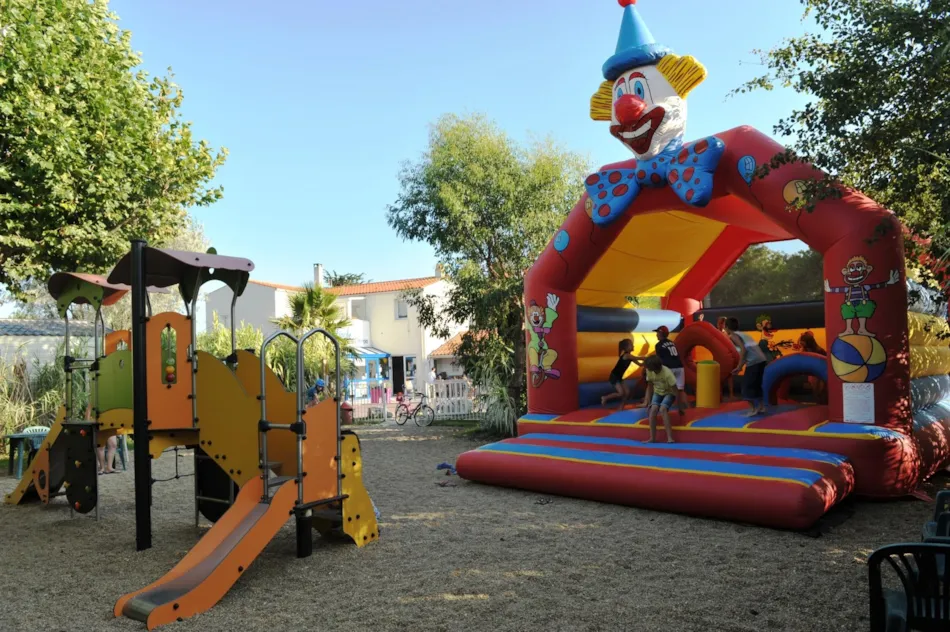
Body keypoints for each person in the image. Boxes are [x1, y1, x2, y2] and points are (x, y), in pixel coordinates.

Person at [724, 317, 770, 417]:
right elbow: (747, 351)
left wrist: (740, 366)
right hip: (761, 360)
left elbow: (744, 351)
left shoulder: (733, 336)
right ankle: (761, 407)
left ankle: (753, 409)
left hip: (754, 362)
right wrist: (741, 365)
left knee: (746, 386)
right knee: (756, 385)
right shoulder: (744, 334)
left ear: (727, 327)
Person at [651, 326, 687, 417]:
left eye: (657, 333)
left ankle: (663, 408)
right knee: (680, 390)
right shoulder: (672, 343)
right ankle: (684, 408)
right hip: (679, 366)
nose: (656, 335)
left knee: (666, 389)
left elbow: (659, 359)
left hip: (669, 368)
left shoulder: (659, 345)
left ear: (660, 333)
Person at [641, 355, 677, 443]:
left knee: (663, 409)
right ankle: (652, 438)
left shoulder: (667, 373)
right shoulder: (649, 371)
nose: (647, 369)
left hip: (669, 392)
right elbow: (650, 387)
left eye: (649, 368)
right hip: (658, 392)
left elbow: (675, 390)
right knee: (653, 410)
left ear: (654, 368)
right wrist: (649, 402)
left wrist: (679, 406)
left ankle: (670, 437)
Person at [601, 339, 637, 409]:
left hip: (619, 377)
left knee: (627, 392)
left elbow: (640, 364)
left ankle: (621, 406)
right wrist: (650, 358)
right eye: (631, 345)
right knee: (621, 393)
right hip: (614, 376)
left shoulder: (630, 356)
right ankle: (605, 397)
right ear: (626, 348)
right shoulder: (627, 355)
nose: (633, 346)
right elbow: (640, 358)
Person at [798, 331, 828, 403]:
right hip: (812, 372)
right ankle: (819, 402)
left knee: (821, 389)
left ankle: (823, 402)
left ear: (808, 342)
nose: (801, 343)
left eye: (803, 342)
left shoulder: (819, 350)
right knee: (815, 389)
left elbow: (825, 361)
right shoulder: (804, 350)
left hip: (821, 372)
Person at [717, 317, 736, 400]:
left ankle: (731, 394)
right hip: (718, 356)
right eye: (721, 323)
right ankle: (720, 395)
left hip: (726, 356)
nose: (723, 325)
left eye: (724, 323)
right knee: (719, 376)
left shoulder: (726, 333)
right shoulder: (716, 332)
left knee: (729, 375)